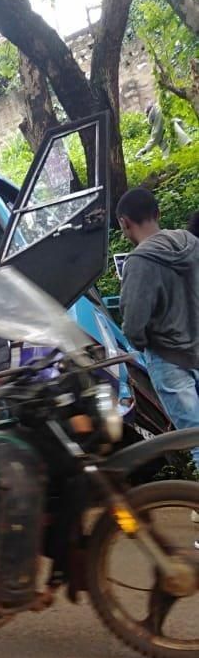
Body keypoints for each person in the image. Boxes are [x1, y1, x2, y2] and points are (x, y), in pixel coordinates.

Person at [117, 187, 199, 477]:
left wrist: (139, 343)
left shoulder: (139, 262)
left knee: (194, 438)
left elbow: (134, 323)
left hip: (168, 359)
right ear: (158, 213)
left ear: (124, 223)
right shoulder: (191, 242)